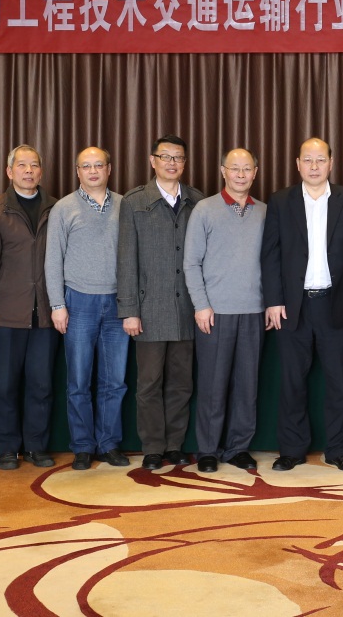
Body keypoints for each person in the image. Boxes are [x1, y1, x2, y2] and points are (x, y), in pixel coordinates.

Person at [262, 138, 343, 472]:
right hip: (293, 307)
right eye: (308, 160)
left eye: (320, 160)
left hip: (335, 304)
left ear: (331, 163)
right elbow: (270, 254)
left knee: (339, 382)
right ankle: (292, 449)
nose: (314, 166)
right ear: (298, 164)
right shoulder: (281, 201)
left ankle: (338, 450)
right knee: (293, 381)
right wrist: (274, 300)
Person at [117, 136, 205, 471]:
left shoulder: (197, 200)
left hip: (187, 308)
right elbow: (126, 259)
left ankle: (174, 445)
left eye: (178, 158)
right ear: (153, 160)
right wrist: (129, 310)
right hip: (149, 308)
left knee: (181, 383)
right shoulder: (135, 201)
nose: (172, 163)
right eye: (165, 157)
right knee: (150, 383)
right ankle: (153, 446)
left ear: (184, 163)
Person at [0, 144, 58, 471]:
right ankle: (7, 448)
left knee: (41, 384)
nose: (28, 171)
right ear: (9, 171)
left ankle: (36, 446)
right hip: (8, 312)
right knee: (5, 384)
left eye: (34, 165)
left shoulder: (56, 207)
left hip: (46, 313)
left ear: (41, 171)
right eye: (21, 165)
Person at [184, 147, 267, 474]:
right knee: (213, 385)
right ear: (223, 171)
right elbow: (191, 263)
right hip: (215, 313)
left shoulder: (265, 212)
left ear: (255, 173)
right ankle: (208, 449)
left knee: (247, 386)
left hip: (254, 311)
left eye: (247, 169)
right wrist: (201, 305)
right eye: (235, 168)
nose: (241, 174)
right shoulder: (205, 210)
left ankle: (238, 448)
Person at [46, 147, 129, 471]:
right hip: (78, 301)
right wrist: (58, 305)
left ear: (109, 169)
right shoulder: (63, 208)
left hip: (117, 303)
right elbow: (53, 259)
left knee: (114, 381)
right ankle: (82, 446)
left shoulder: (124, 205)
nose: (93, 171)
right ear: (77, 171)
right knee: (79, 382)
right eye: (86, 166)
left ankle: (109, 444)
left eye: (98, 165)